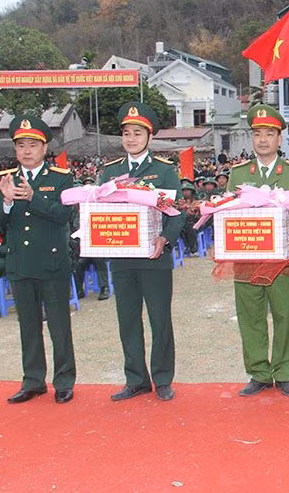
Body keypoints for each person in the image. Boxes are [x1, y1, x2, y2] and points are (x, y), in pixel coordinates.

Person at [99, 102, 184, 401]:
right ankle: (135, 379)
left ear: (149, 136)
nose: (131, 139)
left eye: (137, 133)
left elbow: (178, 213)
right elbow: (99, 211)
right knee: (127, 320)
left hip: (154, 257)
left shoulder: (164, 171)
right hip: (122, 259)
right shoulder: (110, 172)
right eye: (126, 133)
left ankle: (162, 379)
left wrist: (165, 238)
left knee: (160, 319)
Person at [227, 105, 289, 398]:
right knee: (250, 317)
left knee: (284, 315)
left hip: (283, 261)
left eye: (270, 134)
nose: (263, 139)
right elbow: (226, 213)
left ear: (280, 139)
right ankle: (259, 373)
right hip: (247, 260)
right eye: (257, 134)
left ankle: (284, 371)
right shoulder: (237, 175)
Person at [0, 116, 76, 404]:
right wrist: (5, 202)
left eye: (32, 145)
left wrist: (33, 198)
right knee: (28, 326)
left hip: (52, 264)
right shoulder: (5, 179)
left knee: (59, 326)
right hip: (21, 263)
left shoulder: (61, 177)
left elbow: (65, 215)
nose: (26, 151)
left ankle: (64, 381)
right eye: (20, 145)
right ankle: (33, 381)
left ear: (44, 148)